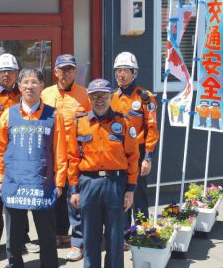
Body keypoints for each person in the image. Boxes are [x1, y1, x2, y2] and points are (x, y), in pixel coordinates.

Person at [0, 68, 72, 268]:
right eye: (25, 82)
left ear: (42, 86)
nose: (30, 86)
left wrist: (60, 181)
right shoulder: (8, 115)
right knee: (13, 236)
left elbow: (60, 150)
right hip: (14, 184)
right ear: (19, 86)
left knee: (46, 234)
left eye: (34, 82)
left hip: (42, 184)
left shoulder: (53, 115)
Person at [70, 78, 140, 268]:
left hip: (116, 184)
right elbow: (73, 158)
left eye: (103, 95)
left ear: (111, 96)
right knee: (90, 237)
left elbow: (133, 157)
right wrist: (74, 189)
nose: (99, 99)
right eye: (94, 96)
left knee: (115, 238)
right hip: (89, 185)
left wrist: (130, 189)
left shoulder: (124, 122)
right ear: (89, 98)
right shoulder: (79, 123)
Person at [0, 53, 39, 256]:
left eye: (10, 71)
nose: (6, 74)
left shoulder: (24, 93)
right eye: (2, 71)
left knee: (21, 198)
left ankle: (22, 238)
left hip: (22, 154)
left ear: (17, 73)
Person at [41, 54, 91, 261]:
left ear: (75, 72)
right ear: (55, 72)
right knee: (55, 197)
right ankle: (60, 233)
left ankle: (77, 242)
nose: (66, 73)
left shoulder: (85, 95)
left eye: (70, 69)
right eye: (62, 69)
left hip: (75, 156)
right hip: (51, 155)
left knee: (74, 199)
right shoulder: (45, 94)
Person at [110, 52, 159, 247]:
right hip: (118, 155)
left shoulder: (145, 98)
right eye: (118, 71)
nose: (121, 75)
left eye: (125, 71)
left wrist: (148, 157)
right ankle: (123, 235)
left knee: (138, 195)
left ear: (134, 72)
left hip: (138, 154)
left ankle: (142, 233)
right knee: (121, 194)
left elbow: (152, 129)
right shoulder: (111, 97)